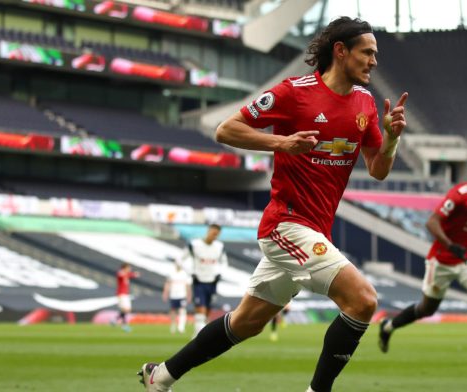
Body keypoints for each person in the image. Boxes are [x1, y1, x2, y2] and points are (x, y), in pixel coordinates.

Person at [138, 16, 408, 392]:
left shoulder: (364, 102)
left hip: (315, 228)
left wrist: (392, 139)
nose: (374, 61)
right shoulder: (294, 92)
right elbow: (226, 129)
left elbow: (378, 169)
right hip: (286, 224)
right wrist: (281, 143)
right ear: (341, 51)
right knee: (363, 300)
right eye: (368, 52)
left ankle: (160, 375)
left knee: (246, 322)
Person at [378, 154, 467, 381]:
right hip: (442, 259)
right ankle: (388, 326)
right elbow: (432, 222)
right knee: (427, 309)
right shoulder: (460, 195)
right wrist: (450, 245)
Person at [183, 224, 228, 337]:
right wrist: (191, 272)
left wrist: (220, 273)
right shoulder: (194, 245)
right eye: (213, 233)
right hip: (199, 281)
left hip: (212, 282)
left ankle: (197, 332)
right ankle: (199, 337)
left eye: (216, 234)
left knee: (207, 309)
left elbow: (224, 262)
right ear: (208, 231)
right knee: (200, 309)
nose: (214, 236)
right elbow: (181, 259)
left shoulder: (219, 246)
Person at [163, 263, 192, 334]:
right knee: (173, 311)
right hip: (173, 295)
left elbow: (188, 286)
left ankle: (181, 327)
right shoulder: (171, 273)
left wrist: (189, 295)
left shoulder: (184, 274)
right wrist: (165, 293)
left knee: (182, 310)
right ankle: (173, 325)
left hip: (182, 295)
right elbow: (167, 284)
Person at [116, 262, 139, 332]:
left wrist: (134, 274)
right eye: (128, 268)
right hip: (121, 294)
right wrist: (132, 274)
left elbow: (130, 275)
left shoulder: (126, 274)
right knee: (126, 309)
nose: (130, 269)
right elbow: (121, 275)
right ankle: (124, 325)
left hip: (126, 294)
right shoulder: (121, 273)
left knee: (127, 310)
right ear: (125, 268)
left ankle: (115, 319)